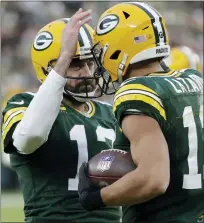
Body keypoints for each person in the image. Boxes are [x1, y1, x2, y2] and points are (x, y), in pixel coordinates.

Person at [78, 2, 204, 223]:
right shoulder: (194, 79)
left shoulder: (136, 91)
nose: (99, 60)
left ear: (119, 46)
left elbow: (154, 179)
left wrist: (96, 197)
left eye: (102, 49)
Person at [1, 9, 121, 222]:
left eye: (89, 62)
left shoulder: (109, 112)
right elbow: (28, 139)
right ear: (47, 68)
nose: (86, 72)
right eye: (75, 64)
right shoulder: (23, 103)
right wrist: (65, 55)